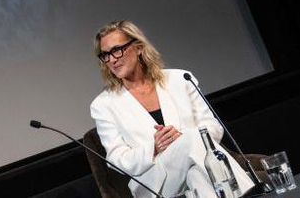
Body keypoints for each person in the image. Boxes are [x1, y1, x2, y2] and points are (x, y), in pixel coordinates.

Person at [89, 20, 255, 198]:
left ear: (138, 47)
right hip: (154, 182)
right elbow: (116, 161)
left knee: (196, 176)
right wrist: (154, 147)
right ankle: (249, 191)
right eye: (105, 55)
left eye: (116, 50)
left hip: (195, 165)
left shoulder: (181, 79)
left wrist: (183, 142)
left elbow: (213, 126)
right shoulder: (103, 105)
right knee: (193, 139)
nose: (112, 59)